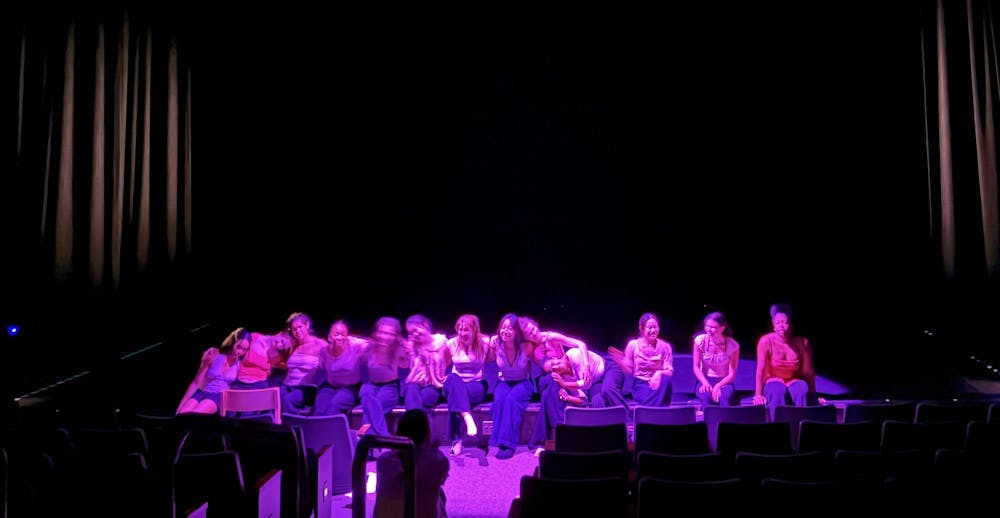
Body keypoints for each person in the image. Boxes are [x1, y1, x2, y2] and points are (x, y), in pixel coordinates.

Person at [374, 408, 449, 518]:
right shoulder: (438, 461)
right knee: (440, 494)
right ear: (428, 435)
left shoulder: (383, 461)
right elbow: (440, 478)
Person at [752, 303, 820, 419]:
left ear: (791, 324)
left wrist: (813, 395)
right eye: (777, 323)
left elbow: (808, 372)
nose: (781, 326)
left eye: (784, 322)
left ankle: (799, 428)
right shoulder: (766, 341)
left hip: (793, 380)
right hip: (773, 380)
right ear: (773, 326)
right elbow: (761, 370)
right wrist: (758, 394)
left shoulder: (802, 343)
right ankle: (778, 428)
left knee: (802, 388)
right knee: (777, 390)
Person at [441, 314, 492, 456]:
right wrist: (436, 379)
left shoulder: (485, 343)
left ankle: (456, 441)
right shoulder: (451, 344)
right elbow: (442, 364)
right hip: (454, 383)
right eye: (460, 329)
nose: (462, 333)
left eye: (466, 330)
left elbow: (496, 356)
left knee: (456, 399)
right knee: (453, 379)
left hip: (475, 386)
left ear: (475, 330)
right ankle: (467, 417)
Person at [486, 313, 533, 460]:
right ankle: (498, 441)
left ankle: (508, 444)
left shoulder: (527, 347)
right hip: (505, 381)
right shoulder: (496, 345)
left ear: (517, 332)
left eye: (510, 328)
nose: (506, 331)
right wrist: (490, 348)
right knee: (498, 402)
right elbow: (487, 360)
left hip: (523, 382)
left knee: (511, 401)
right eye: (503, 327)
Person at [177, 327, 251, 415]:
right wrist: (179, 408)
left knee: (197, 414)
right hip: (202, 392)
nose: (240, 351)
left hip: (218, 397)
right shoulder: (215, 355)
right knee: (182, 415)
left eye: (244, 349)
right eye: (238, 347)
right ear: (232, 342)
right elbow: (196, 382)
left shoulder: (240, 365)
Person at [608, 312, 674, 406]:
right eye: (649, 327)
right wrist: (620, 361)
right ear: (642, 329)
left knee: (666, 382)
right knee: (659, 397)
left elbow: (669, 371)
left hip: (658, 383)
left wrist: (659, 373)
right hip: (641, 384)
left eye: (655, 327)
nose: (653, 330)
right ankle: (655, 410)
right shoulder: (633, 345)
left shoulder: (665, 347)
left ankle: (649, 410)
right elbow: (629, 370)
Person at [360, 316, 407, 437]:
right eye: (381, 332)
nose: (383, 337)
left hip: (390, 385)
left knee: (377, 404)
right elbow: (352, 340)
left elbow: (406, 365)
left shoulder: (399, 349)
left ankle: (365, 436)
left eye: (388, 334)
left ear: (395, 336)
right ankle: (384, 435)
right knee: (366, 395)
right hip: (371, 384)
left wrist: (408, 352)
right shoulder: (368, 347)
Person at [314, 319, 367, 417]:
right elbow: (319, 366)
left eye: (343, 334)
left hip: (350, 387)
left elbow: (374, 345)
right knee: (319, 409)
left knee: (334, 406)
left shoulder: (355, 346)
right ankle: (317, 431)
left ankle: (332, 431)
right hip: (330, 386)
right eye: (336, 334)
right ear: (329, 337)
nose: (340, 337)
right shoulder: (324, 352)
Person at [280, 312, 328, 415]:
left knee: (288, 400)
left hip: (307, 387)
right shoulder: (293, 346)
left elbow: (333, 358)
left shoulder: (319, 344)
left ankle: (295, 426)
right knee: (274, 399)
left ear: (307, 325)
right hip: (287, 385)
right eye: (294, 329)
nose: (297, 331)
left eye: (300, 327)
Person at [402, 315, 449, 412]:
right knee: (411, 390)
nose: (414, 334)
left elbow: (447, 361)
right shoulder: (412, 346)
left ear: (425, 326)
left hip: (434, 384)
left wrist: (427, 356)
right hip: (416, 382)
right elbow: (406, 367)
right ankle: (413, 422)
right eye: (411, 332)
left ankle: (420, 423)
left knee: (426, 398)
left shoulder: (440, 341)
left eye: (416, 330)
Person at [692, 311, 740, 408]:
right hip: (705, 380)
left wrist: (718, 386)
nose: (709, 330)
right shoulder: (700, 341)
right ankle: (706, 422)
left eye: (713, 327)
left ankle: (725, 422)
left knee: (725, 398)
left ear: (722, 328)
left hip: (724, 381)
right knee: (706, 397)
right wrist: (705, 383)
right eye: (707, 326)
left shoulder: (732, 345)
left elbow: (732, 374)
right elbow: (696, 367)